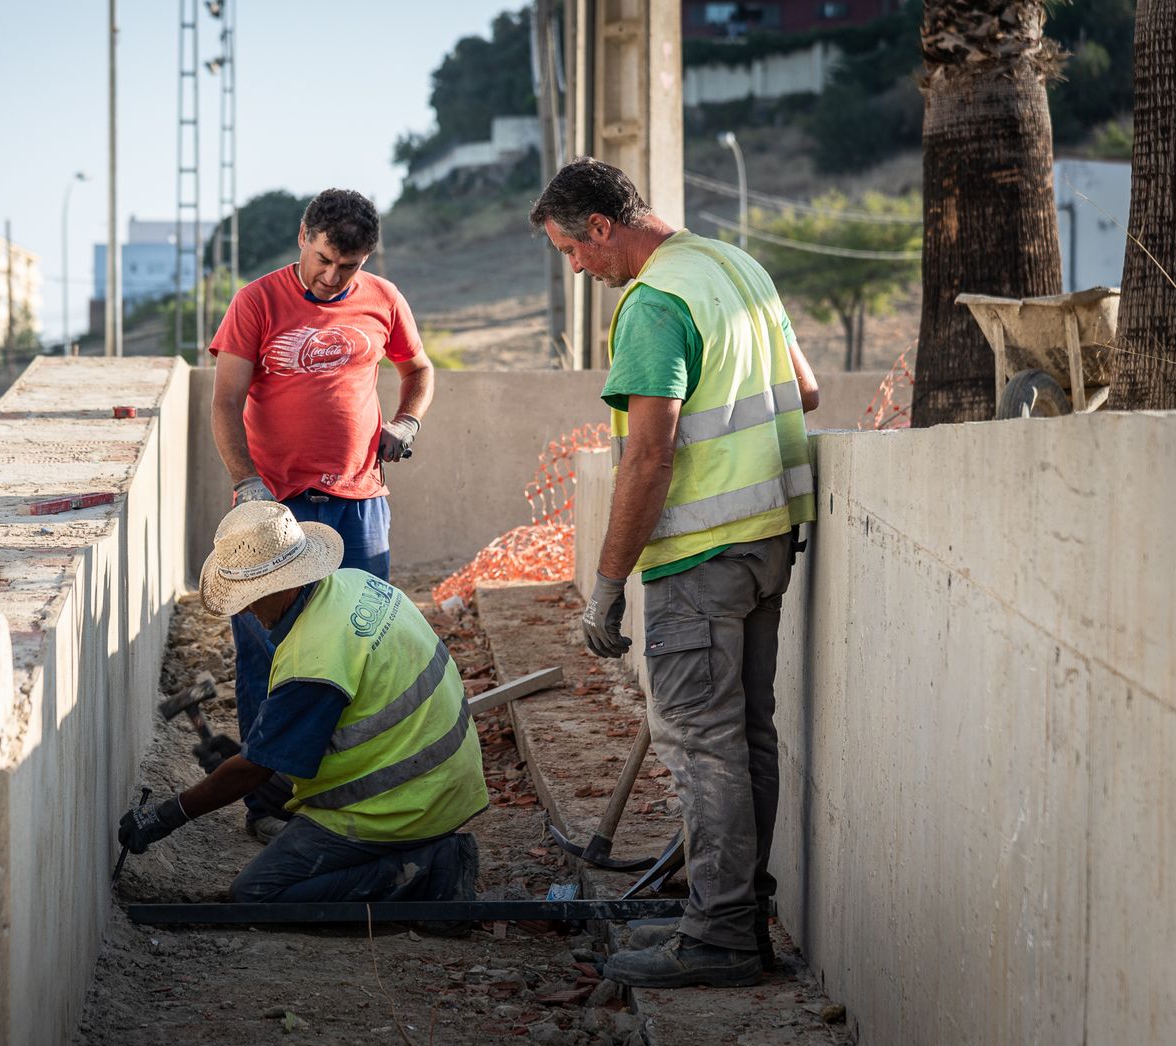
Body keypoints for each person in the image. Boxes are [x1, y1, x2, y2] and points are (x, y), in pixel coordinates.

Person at [529, 158, 820, 989]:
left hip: (701, 554)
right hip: (768, 541)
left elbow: (651, 455)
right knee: (746, 736)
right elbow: (805, 389)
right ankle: (729, 913)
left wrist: (610, 579)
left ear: (600, 228)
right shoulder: (736, 267)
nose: (576, 270)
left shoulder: (654, 302)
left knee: (702, 744)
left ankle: (722, 936)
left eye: (571, 252)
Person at [118, 501, 486, 906]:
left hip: (408, 803)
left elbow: (255, 770)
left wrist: (166, 816)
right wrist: (246, 756)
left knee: (257, 893)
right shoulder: (352, 584)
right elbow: (271, 757)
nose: (247, 610)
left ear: (286, 583)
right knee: (265, 784)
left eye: (253, 597)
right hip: (442, 775)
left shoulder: (313, 658)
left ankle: (432, 870)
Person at [209, 189, 435, 842]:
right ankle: (269, 805)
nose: (334, 277)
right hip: (274, 507)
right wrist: (247, 483)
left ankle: (342, 792)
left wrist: (408, 420)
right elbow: (226, 402)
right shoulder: (258, 301)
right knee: (267, 653)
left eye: (351, 265)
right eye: (326, 259)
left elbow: (417, 369)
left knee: (360, 646)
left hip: (361, 504)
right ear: (303, 236)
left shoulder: (384, 299)